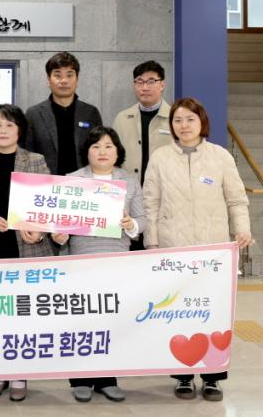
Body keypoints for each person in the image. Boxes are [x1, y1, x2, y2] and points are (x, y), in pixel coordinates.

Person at [143, 97, 253, 402]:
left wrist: (242, 229)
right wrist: (152, 241)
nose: (184, 125)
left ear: (202, 122)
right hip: (174, 249)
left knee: (213, 313)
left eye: (190, 119)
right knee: (179, 313)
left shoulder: (220, 157)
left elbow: (236, 199)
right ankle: (182, 376)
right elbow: (150, 202)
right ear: (171, 125)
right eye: (177, 120)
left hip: (212, 251)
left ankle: (213, 377)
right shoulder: (161, 158)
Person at [52, 126, 145, 403]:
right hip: (81, 261)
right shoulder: (72, 180)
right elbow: (59, 223)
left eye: (108, 146)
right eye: (96, 146)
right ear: (87, 152)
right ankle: (81, 378)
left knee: (111, 321)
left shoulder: (129, 181)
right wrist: (59, 234)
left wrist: (130, 223)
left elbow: (143, 220)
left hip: (116, 261)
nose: (102, 151)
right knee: (82, 320)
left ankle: (107, 378)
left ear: (117, 152)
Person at [0, 104, 54, 402]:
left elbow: (48, 205)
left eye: (9, 125)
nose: (3, 130)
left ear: (20, 130)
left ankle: (19, 373)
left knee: (22, 316)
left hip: (28, 249)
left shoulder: (35, 161)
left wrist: (40, 230)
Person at [25, 52, 102, 175]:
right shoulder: (33, 114)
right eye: (58, 75)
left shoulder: (91, 113)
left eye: (69, 75)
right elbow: (27, 155)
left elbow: (100, 151)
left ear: (77, 80)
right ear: (48, 80)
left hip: (83, 182)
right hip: (45, 182)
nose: (64, 80)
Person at [112, 60, 172, 186]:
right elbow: (113, 158)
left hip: (164, 190)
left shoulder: (174, 118)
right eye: (139, 82)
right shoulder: (122, 119)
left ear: (162, 85)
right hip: (129, 190)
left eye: (151, 81)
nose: (145, 87)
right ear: (134, 85)